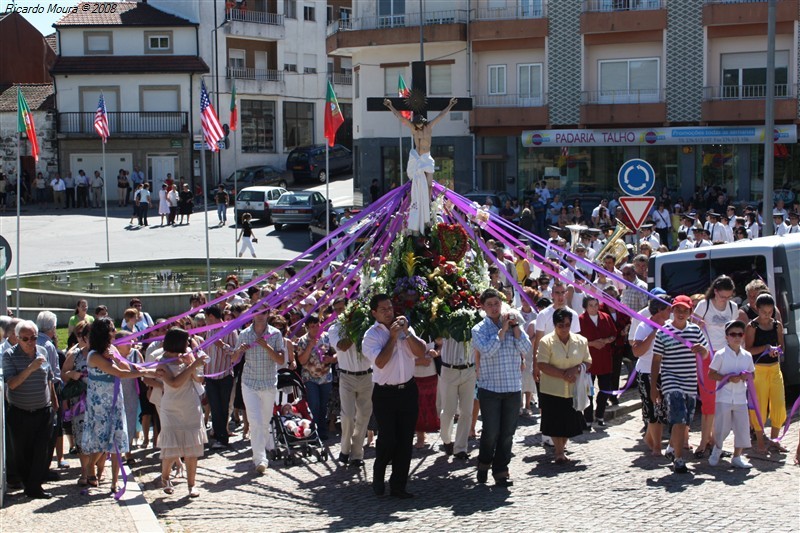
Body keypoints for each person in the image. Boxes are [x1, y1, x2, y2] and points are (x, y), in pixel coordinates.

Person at [362, 293, 427, 499]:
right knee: (388, 439)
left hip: (407, 390)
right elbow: (380, 362)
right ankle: (379, 474)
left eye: (390, 308)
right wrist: (391, 338)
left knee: (405, 439)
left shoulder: (404, 329)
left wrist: (406, 333)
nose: (389, 312)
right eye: (383, 309)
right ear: (374, 313)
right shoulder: (371, 335)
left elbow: (421, 351)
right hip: (385, 393)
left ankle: (399, 485)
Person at [82, 317, 154, 493]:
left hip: (116, 401)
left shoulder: (112, 349)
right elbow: (119, 373)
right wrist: (143, 373)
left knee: (117, 440)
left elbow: (126, 366)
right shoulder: (94, 355)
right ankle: (91, 466)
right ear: (103, 333)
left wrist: (148, 370)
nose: (114, 332)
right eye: (112, 329)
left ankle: (115, 482)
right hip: (100, 404)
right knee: (102, 439)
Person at [471, 288, 531, 486]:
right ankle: (484, 462)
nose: (494, 308)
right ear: (483, 307)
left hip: (512, 387)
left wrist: (514, 328)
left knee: (507, 433)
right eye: (489, 305)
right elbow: (487, 351)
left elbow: (526, 348)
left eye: (497, 303)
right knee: (491, 431)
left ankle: (501, 470)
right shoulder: (479, 329)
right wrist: (502, 331)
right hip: (490, 388)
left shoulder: (514, 322)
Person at [651, 295, 709, 473]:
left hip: (689, 382)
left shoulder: (695, 331)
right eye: (678, 309)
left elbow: (706, 354)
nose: (681, 313)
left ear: (691, 312)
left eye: (685, 310)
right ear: (672, 310)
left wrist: (702, 350)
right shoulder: (663, 332)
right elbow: (656, 360)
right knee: (679, 416)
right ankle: (678, 459)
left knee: (684, 421)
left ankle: (671, 448)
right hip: (671, 381)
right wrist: (654, 387)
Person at [3, 320, 57, 499]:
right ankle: (27, 483)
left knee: (41, 451)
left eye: (33, 337)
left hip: (43, 410)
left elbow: (49, 379)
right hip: (20, 412)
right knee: (22, 453)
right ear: (18, 338)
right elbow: (12, 384)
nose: (31, 342)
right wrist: (30, 368)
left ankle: (35, 487)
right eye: (26, 338)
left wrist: (54, 401)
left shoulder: (42, 351)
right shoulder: (9, 355)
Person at [155, 328, 209, 497]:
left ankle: (192, 485)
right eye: (186, 341)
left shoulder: (187, 357)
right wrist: (193, 365)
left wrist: (193, 365)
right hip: (171, 407)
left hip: (191, 404)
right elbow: (174, 383)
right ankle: (165, 478)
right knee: (172, 446)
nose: (188, 345)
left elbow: (199, 379)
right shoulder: (161, 362)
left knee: (192, 448)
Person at [537, 308, 592, 464]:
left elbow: (588, 361)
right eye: (561, 325)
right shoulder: (546, 341)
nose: (564, 328)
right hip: (552, 389)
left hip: (573, 389)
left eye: (567, 325)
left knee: (569, 422)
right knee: (554, 421)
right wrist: (563, 374)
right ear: (555, 325)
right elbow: (542, 364)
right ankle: (559, 451)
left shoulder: (581, 341)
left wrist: (575, 370)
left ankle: (562, 447)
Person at [692, 275, 739, 458]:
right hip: (707, 357)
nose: (725, 300)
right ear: (716, 291)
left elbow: (734, 332)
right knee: (709, 401)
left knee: (723, 402)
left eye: (728, 297)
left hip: (725, 358)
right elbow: (691, 327)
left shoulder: (732, 307)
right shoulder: (704, 305)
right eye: (722, 296)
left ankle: (715, 441)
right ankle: (704, 441)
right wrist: (698, 323)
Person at [234, 311, 285, 473]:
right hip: (249, 383)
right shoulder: (244, 334)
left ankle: (263, 449)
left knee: (264, 421)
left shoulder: (275, 334)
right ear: (252, 315)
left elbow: (280, 360)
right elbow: (233, 359)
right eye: (257, 312)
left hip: (269, 384)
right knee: (254, 422)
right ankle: (260, 458)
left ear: (268, 314)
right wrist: (239, 352)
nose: (260, 315)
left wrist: (266, 346)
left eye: (264, 312)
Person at [329, 297, 373, 467]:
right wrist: (356, 329)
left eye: (342, 308)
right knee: (347, 416)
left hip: (367, 375)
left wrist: (360, 325)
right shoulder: (334, 328)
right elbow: (342, 345)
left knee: (363, 416)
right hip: (346, 376)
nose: (340, 312)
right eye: (337, 309)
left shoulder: (365, 325)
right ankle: (345, 448)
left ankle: (357, 454)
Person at [707, 320, 755, 469]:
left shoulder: (747, 356)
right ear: (727, 336)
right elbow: (711, 374)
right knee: (722, 427)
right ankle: (717, 450)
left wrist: (744, 377)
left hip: (741, 397)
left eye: (740, 334)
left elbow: (752, 374)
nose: (736, 337)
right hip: (724, 397)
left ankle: (737, 456)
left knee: (742, 427)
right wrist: (726, 378)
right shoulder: (720, 355)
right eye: (733, 334)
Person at [744, 293, 787, 454]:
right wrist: (765, 348)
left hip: (775, 369)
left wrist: (777, 351)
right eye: (764, 312)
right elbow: (748, 349)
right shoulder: (752, 326)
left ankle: (775, 441)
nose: (767, 315)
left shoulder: (777, 325)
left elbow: (782, 347)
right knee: (759, 407)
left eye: (770, 312)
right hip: (759, 370)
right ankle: (761, 442)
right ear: (757, 309)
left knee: (779, 405)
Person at [632, 296, 672, 456]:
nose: (671, 312)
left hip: (666, 371)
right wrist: (654, 332)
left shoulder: (670, 326)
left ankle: (651, 439)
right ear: (659, 310)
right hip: (647, 372)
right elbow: (637, 351)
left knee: (662, 409)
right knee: (653, 409)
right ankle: (656, 446)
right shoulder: (643, 326)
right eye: (668, 309)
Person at [295, 314, 335, 440]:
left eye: (317, 325)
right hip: (310, 378)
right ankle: (312, 431)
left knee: (324, 405)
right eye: (312, 326)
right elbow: (301, 361)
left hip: (325, 377)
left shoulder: (327, 337)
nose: (316, 328)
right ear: (307, 328)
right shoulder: (302, 341)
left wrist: (331, 359)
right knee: (314, 404)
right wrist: (310, 346)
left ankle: (322, 431)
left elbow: (337, 354)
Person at [578, 296, 617, 426]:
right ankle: (588, 419)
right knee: (589, 390)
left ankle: (600, 414)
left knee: (605, 389)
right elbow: (577, 341)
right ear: (585, 307)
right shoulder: (580, 320)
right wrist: (592, 344)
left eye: (596, 305)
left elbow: (613, 334)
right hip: (589, 361)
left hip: (604, 359)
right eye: (591, 305)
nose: (594, 308)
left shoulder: (605, 317)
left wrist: (605, 341)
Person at [61, 321, 92, 485]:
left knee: (97, 436)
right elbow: (63, 375)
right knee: (81, 436)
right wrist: (71, 373)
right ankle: (85, 472)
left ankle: (95, 471)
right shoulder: (75, 355)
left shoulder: (104, 354)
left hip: (100, 401)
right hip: (80, 402)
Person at [203, 306, 237, 449]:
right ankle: (219, 436)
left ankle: (222, 437)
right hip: (210, 376)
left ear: (211, 316)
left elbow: (236, 353)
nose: (205, 320)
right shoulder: (209, 331)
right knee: (215, 407)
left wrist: (223, 346)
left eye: (206, 317)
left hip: (225, 376)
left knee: (224, 407)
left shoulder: (230, 330)